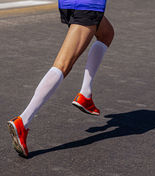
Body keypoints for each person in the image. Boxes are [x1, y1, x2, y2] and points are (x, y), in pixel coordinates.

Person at [7, 0, 114, 157]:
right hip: (88, 5)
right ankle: (23, 120)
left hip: (69, 4)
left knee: (106, 33)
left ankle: (86, 94)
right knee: (63, 65)